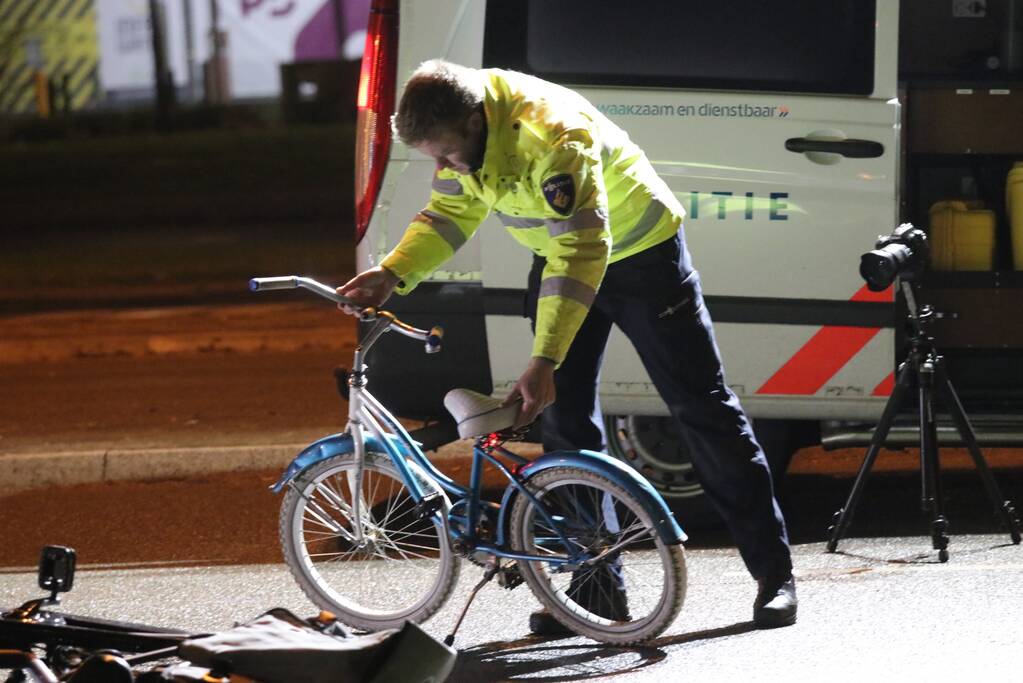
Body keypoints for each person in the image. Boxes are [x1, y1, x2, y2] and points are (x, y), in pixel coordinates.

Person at [338, 59, 797, 631]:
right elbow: (454, 212)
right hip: (561, 253)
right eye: (435, 157)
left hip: (641, 256)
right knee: (565, 424)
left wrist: (545, 359)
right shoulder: (462, 129)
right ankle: (599, 589)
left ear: (478, 121)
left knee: (701, 409)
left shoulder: (553, 134)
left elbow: (585, 252)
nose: (444, 166)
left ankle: (774, 576)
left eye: (448, 154)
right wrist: (393, 272)